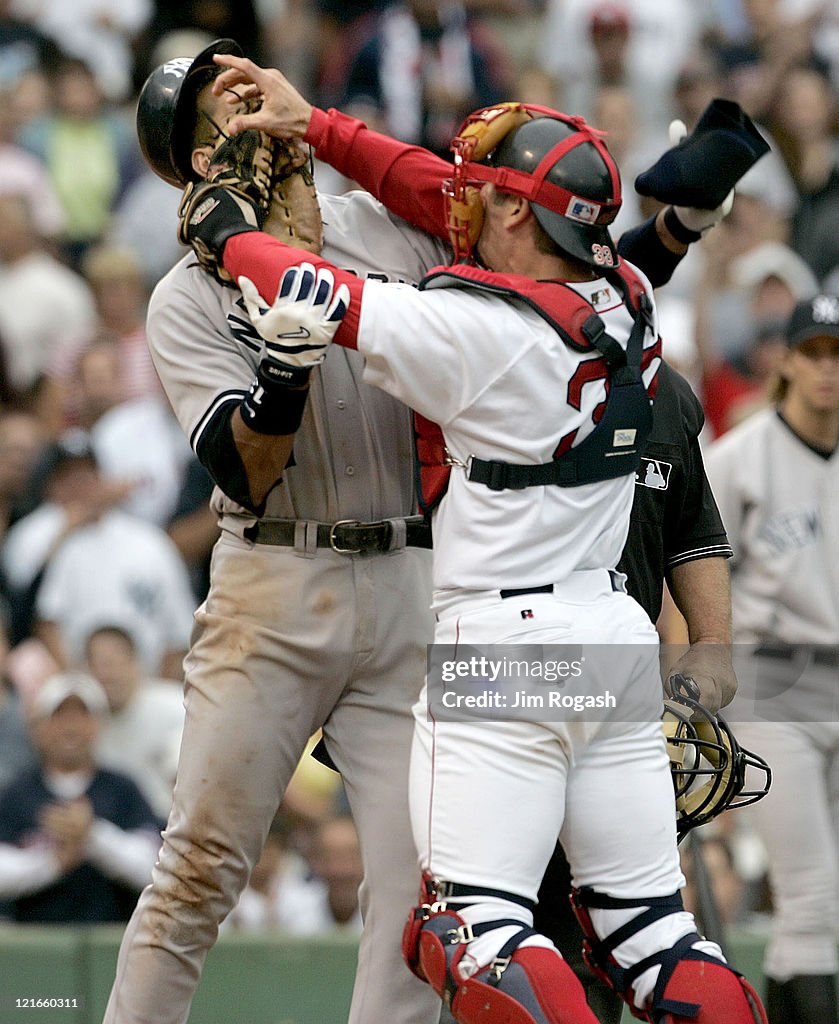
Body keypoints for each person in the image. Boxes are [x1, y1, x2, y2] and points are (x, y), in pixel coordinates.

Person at [103, 40, 762, 1024]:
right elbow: (243, 468)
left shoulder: (387, 239)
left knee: (441, 905)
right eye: (214, 112)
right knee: (198, 867)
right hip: (285, 587)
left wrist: (284, 185)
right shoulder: (181, 300)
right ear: (193, 157)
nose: (241, 114)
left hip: (440, 593)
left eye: (245, 88)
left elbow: (449, 238)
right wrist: (663, 232)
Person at [705, 292, 839, 1024]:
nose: (826, 370)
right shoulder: (738, 457)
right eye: (813, 352)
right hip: (773, 682)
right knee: (811, 892)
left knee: (817, 906)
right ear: (785, 360)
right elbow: (692, 565)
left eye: (837, 355)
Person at [0, 671, 162, 923]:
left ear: (100, 725)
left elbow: (154, 869)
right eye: (60, 717)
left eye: (82, 716)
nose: (71, 727)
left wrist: (92, 835)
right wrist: (54, 863)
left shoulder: (123, 790)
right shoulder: (17, 793)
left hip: (113, 941)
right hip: (35, 945)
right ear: (39, 728)